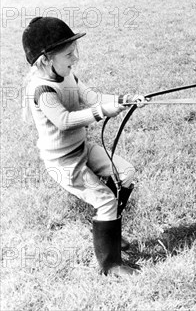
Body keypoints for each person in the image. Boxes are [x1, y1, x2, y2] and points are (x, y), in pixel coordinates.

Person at [22, 17, 146, 276]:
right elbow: (64, 121)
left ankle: (109, 228)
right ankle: (111, 265)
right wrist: (101, 112)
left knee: (125, 173)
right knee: (105, 199)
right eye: (69, 54)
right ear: (47, 59)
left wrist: (126, 99)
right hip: (64, 163)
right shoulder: (42, 90)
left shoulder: (67, 75)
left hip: (83, 148)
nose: (75, 58)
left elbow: (94, 98)